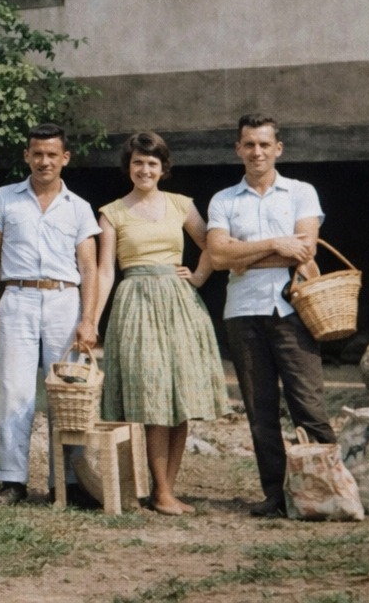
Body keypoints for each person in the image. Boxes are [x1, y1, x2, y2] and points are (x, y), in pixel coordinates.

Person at [205, 114, 334, 518]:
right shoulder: (223, 200)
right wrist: (277, 244)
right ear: (238, 149)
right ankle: (276, 496)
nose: (256, 152)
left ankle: (328, 489)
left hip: (293, 309)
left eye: (264, 144)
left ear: (278, 148)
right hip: (243, 313)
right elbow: (218, 256)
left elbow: (306, 250)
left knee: (308, 404)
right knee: (260, 412)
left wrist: (244, 254)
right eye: (249, 144)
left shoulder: (300, 192)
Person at [95, 131, 227, 515]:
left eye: (152, 163)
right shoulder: (111, 212)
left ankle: (165, 489)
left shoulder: (181, 204)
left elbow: (213, 247)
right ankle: (162, 492)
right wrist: (91, 321)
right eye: (138, 162)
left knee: (179, 396)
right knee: (153, 396)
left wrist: (198, 277)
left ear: (163, 168)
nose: (145, 170)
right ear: (128, 167)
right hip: (136, 303)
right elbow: (105, 271)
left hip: (179, 304)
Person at [0, 123, 102, 507]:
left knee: (66, 392)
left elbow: (89, 268)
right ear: (27, 156)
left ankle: (66, 482)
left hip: (63, 301)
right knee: (14, 390)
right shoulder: (5, 198)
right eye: (37, 153)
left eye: (52, 154)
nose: (44, 161)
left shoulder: (78, 207)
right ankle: (11, 479)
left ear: (65, 158)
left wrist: (88, 319)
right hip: (17, 297)